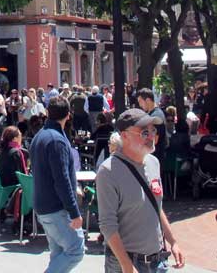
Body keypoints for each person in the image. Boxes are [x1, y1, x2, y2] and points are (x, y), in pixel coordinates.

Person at [97, 109, 185, 273]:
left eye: (153, 130)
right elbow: (108, 225)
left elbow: (156, 206)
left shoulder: (153, 162)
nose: (151, 136)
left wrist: (173, 241)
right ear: (124, 136)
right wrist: (126, 266)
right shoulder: (108, 171)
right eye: (144, 132)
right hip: (126, 262)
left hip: (158, 260)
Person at [30, 96, 84, 273]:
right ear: (68, 115)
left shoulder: (39, 137)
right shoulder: (56, 140)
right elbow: (62, 180)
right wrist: (74, 211)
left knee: (59, 253)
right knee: (76, 250)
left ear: (47, 112)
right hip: (56, 207)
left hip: (43, 205)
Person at [136, 88, 168, 163]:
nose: (140, 105)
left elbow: (154, 140)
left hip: (155, 157)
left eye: (140, 101)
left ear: (147, 100)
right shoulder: (151, 114)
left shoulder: (156, 116)